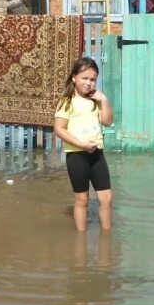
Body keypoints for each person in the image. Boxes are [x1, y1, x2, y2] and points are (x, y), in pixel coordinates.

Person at [53, 57, 114, 231]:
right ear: (74, 77)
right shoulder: (67, 101)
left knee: (107, 198)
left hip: (97, 155)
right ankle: (80, 240)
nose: (88, 83)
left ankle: (106, 238)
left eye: (93, 79)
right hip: (77, 155)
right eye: (84, 78)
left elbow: (108, 121)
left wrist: (104, 100)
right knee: (82, 200)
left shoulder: (96, 100)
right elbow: (59, 129)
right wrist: (81, 144)